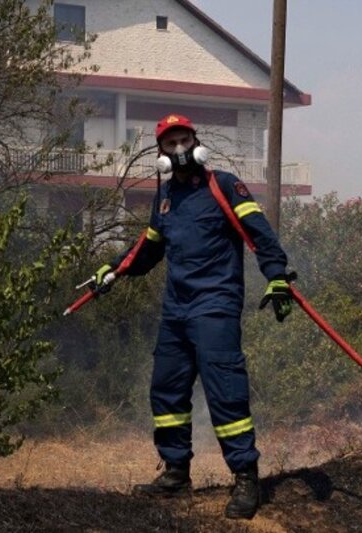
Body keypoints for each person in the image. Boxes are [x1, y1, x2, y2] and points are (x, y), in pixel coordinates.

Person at [90, 114, 294, 520]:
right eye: (171, 144)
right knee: (166, 390)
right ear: (161, 153)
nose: (179, 149)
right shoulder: (165, 198)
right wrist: (113, 269)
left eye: (184, 140)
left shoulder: (225, 185)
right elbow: (148, 248)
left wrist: (277, 276)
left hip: (216, 305)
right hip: (176, 310)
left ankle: (246, 477)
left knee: (225, 391)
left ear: (197, 142)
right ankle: (176, 473)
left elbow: (260, 233)